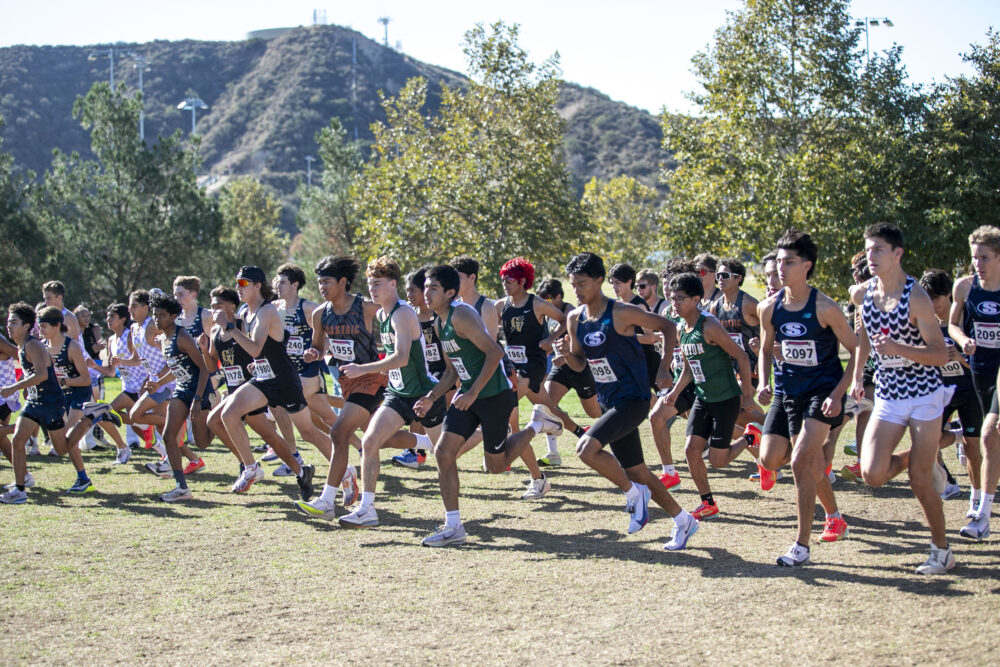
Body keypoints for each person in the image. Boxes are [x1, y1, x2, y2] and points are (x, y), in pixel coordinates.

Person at [555, 253, 699, 551]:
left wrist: (663, 367)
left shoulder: (621, 312)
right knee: (637, 470)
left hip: (633, 399)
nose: (578, 291)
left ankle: (634, 494)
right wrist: (566, 356)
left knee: (586, 448)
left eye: (582, 284)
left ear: (599, 280)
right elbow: (581, 363)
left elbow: (668, 327)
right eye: (573, 285)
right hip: (609, 402)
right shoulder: (574, 318)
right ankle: (683, 520)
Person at [416, 265, 560, 547]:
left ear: (450, 292)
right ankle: (454, 526)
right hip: (469, 396)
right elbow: (450, 372)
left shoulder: (463, 315)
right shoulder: (438, 323)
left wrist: (473, 392)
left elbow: (496, 352)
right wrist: (431, 397)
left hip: (495, 396)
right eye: (425, 287)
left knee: (496, 466)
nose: (426, 293)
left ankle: (537, 425)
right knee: (443, 452)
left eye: (433, 288)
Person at [854, 222, 952, 574]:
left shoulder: (917, 297)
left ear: (898, 253)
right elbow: (864, 333)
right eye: (868, 250)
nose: (871, 256)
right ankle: (922, 453)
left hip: (925, 393)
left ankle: (942, 551)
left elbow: (940, 354)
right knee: (872, 474)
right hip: (889, 394)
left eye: (878, 249)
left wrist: (898, 348)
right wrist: (856, 375)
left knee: (919, 480)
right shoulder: (863, 294)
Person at [757, 231, 857, 566]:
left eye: (789, 262)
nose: (781, 268)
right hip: (786, 392)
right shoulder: (768, 307)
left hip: (822, 393)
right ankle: (835, 517)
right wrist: (764, 381)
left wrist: (840, 393)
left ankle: (801, 546)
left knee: (801, 461)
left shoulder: (826, 308)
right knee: (773, 460)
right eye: (779, 261)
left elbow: (857, 353)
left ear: (807, 266)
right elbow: (766, 346)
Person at [334, 257, 450, 528]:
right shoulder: (381, 314)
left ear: (393, 284)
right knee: (370, 441)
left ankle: (452, 519)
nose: (372, 289)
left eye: (378, 283)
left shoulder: (402, 313)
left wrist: (363, 369)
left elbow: (400, 357)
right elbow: (393, 360)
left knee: (445, 454)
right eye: (370, 284)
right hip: (398, 394)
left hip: (423, 394)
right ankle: (367, 509)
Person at [217, 266, 333, 495]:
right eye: (237, 283)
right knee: (228, 413)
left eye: (243, 283)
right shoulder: (245, 312)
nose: (238, 288)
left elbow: (255, 347)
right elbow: (258, 352)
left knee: (308, 432)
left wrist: (229, 326)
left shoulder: (266, 311)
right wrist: (256, 362)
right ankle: (250, 467)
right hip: (263, 379)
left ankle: (345, 469)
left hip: (285, 381)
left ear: (257, 286)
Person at [202, 286, 314, 500]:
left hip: (254, 388)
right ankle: (289, 469)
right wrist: (204, 349)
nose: (214, 310)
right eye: (212, 306)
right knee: (218, 422)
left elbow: (260, 346)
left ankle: (256, 466)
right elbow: (211, 366)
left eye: (219, 305)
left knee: (265, 434)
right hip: (237, 391)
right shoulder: (215, 331)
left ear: (232, 306)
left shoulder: (244, 323)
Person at [292, 256, 382, 520]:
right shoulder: (321, 314)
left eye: (327, 282)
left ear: (343, 282)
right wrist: (313, 353)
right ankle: (427, 443)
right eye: (319, 282)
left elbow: (393, 327)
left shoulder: (366, 307)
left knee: (339, 432)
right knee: (373, 440)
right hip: (348, 384)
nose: (322, 287)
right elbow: (319, 346)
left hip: (372, 380)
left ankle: (327, 501)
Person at [665, 273, 755, 520]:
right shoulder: (682, 326)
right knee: (691, 450)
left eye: (680, 299)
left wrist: (747, 395)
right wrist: (674, 393)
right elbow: (687, 366)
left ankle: (749, 437)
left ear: (696, 299)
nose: (674, 304)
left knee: (718, 461)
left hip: (725, 399)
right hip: (703, 398)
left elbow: (742, 356)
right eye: (672, 299)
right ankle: (708, 503)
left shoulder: (710, 325)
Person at [496, 257, 585, 439]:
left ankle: (503, 450)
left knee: (504, 403)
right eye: (503, 279)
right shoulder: (500, 305)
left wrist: (551, 339)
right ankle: (581, 433)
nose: (505, 284)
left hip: (533, 366)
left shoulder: (537, 304)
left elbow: (565, 319)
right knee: (551, 409)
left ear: (522, 281)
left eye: (509, 280)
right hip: (513, 366)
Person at [949, 225, 1000, 540]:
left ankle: (982, 515)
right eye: (974, 257)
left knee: (988, 435)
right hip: (978, 369)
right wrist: (963, 338)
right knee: (990, 442)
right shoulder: (964, 288)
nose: (977, 263)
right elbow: (952, 324)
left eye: (984, 257)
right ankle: (982, 509)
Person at [0, 304, 76, 502]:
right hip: (35, 401)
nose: (9, 326)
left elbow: (42, 375)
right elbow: (35, 374)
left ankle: (92, 417)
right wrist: (26, 387)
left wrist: (15, 387)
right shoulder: (21, 344)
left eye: (14, 322)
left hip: (50, 402)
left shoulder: (33, 344)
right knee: (18, 440)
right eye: (9, 322)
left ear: (26, 326)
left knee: (61, 449)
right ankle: (20, 490)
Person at [270, 263, 338, 474]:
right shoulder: (274, 309)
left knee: (281, 405)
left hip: (307, 371)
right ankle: (358, 443)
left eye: (282, 281)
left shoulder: (309, 308)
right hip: (286, 371)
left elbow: (329, 338)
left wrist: (316, 352)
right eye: (276, 281)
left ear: (295, 284)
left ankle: (293, 457)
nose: (277, 285)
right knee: (322, 417)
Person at [144, 293, 212, 502]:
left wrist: (198, 400)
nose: (158, 319)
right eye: (155, 315)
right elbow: (177, 368)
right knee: (168, 435)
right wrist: (158, 383)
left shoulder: (182, 336)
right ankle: (181, 487)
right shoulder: (163, 338)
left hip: (199, 388)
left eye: (162, 315)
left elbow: (203, 368)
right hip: (181, 389)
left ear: (173, 316)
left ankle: (220, 422)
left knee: (201, 443)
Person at [921, 269, 981, 504]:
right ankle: (948, 483)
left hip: (969, 391)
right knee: (928, 442)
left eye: (936, 298)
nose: (933, 305)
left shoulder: (964, 322)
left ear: (948, 295)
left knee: (972, 450)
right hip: (941, 392)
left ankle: (976, 499)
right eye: (928, 299)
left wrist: (959, 356)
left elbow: (981, 365)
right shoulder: (926, 325)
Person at [536, 278, 601, 467]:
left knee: (595, 413)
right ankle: (554, 452)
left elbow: (584, 345)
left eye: (547, 299)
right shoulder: (549, 315)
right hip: (561, 369)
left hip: (580, 369)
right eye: (541, 300)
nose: (544, 303)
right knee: (546, 405)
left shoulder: (573, 314)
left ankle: (612, 429)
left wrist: (565, 355)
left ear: (559, 297)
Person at [392, 266, 448, 469]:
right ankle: (417, 454)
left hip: (445, 374)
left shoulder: (439, 316)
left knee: (446, 420)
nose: (409, 295)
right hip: (421, 373)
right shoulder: (408, 315)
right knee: (418, 412)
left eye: (412, 290)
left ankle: (441, 450)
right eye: (406, 290)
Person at [89, 303, 147, 460]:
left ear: (122, 319)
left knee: (102, 413)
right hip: (128, 387)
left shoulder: (130, 336)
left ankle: (126, 446)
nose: (108, 319)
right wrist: (95, 365)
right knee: (106, 415)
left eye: (112, 316)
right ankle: (143, 436)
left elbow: (140, 361)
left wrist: (121, 361)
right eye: (107, 316)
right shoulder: (111, 340)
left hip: (141, 386)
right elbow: (110, 371)